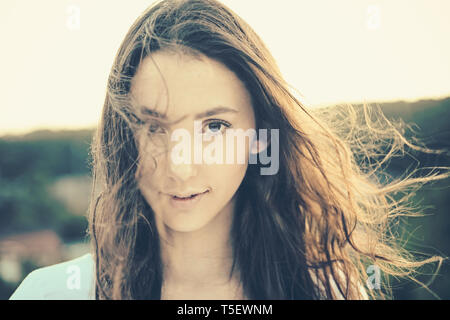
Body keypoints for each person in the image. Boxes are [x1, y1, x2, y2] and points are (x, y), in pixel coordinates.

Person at [10, 0, 448, 300]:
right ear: (123, 135)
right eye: (154, 127)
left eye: (214, 126)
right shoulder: (51, 292)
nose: (180, 166)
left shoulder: (328, 289)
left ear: (260, 135)